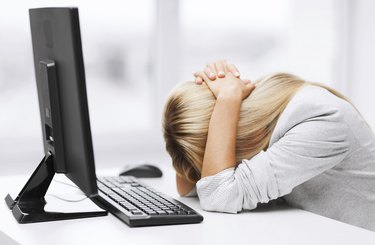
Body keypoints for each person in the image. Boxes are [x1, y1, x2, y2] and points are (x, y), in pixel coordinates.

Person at [162, 60, 375, 231]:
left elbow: (217, 195)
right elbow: (189, 187)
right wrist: (199, 107)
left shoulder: (320, 120)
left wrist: (226, 100)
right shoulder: (266, 111)